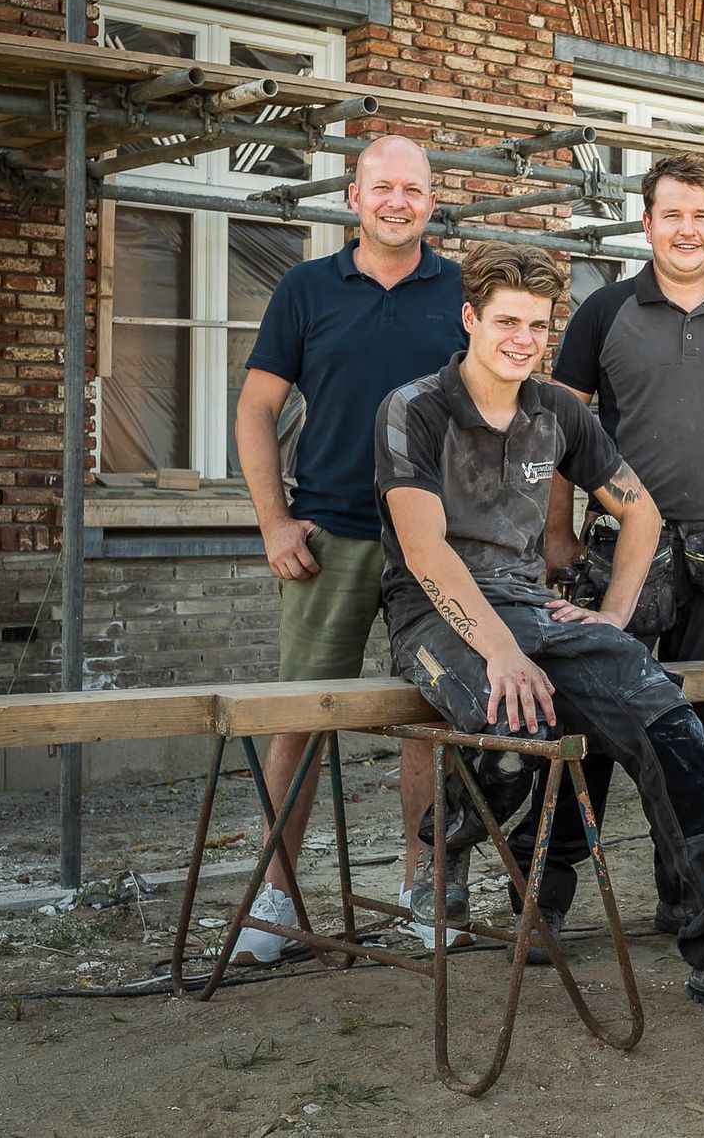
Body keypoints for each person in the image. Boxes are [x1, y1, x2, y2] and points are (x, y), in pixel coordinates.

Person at [374, 240, 704, 1021]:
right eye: (506, 322)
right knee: (516, 724)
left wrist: (615, 617)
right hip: (435, 611)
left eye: (536, 323)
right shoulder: (414, 407)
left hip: (533, 606)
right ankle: (460, 816)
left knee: (668, 718)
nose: (522, 338)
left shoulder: (558, 409)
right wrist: (499, 650)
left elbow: (643, 511)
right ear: (470, 319)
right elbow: (425, 551)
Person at [521, 152, 704, 947]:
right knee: (591, 729)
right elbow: (556, 428)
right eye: (672, 215)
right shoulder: (603, 312)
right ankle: (546, 901)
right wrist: (557, 533)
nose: (688, 229)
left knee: (700, 729)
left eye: (702, 216)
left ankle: (684, 896)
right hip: (621, 557)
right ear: (646, 224)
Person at [231, 135, 470, 962]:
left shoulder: (462, 293)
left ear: (432, 202)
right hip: (327, 536)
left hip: (432, 545)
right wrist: (272, 519)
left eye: (413, 189)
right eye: (382, 188)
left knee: (429, 719)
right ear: (354, 197)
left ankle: (420, 893)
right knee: (300, 718)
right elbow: (255, 408)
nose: (397, 201)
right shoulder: (305, 289)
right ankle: (273, 903)